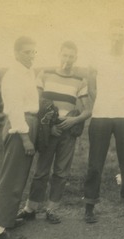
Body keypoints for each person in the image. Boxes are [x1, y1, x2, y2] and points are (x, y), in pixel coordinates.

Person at [16, 41, 92, 224]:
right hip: (47, 130)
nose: (67, 59)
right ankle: (30, 208)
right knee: (41, 171)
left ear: (76, 58)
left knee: (61, 172)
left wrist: (73, 120)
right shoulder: (44, 74)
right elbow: (36, 102)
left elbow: (88, 110)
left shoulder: (81, 81)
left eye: (71, 56)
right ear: (59, 54)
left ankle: (52, 210)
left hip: (68, 132)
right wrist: (49, 126)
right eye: (64, 55)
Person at [83, 19, 124, 223]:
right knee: (95, 164)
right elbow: (90, 85)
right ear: (109, 35)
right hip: (101, 116)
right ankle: (89, 206)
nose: (117, 38)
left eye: (121, 34)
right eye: (114, 34)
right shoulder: (98, 56)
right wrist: (101, 101)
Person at [0, 36, 39, 239]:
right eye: (27, 52)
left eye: (33, 52)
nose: (31, 56)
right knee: (12, 178)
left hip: (28, 124)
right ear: (16, 53)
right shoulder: (13, 76)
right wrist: (26, 138)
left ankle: (8, 218)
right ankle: (1, 227)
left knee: (19, 177)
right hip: (20, 129)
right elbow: (15, 109)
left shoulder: (28, 73)